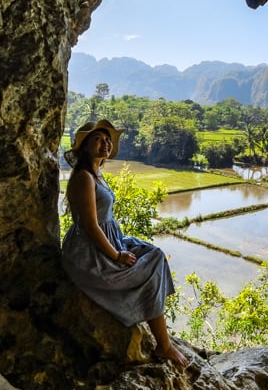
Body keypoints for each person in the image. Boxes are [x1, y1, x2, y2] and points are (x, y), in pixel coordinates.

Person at [61, 119, 189, 369]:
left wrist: (120, 246)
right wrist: (118, 255)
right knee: (151, 264)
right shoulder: (84, 178)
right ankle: (163, 345)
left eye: (107, 139)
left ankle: (161, 335)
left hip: (109, 241)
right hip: (90, 253)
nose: (105, 143)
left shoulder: (98, 175)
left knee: (155, 254)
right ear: (84, 146)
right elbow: (90, 227)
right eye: (98, 139)